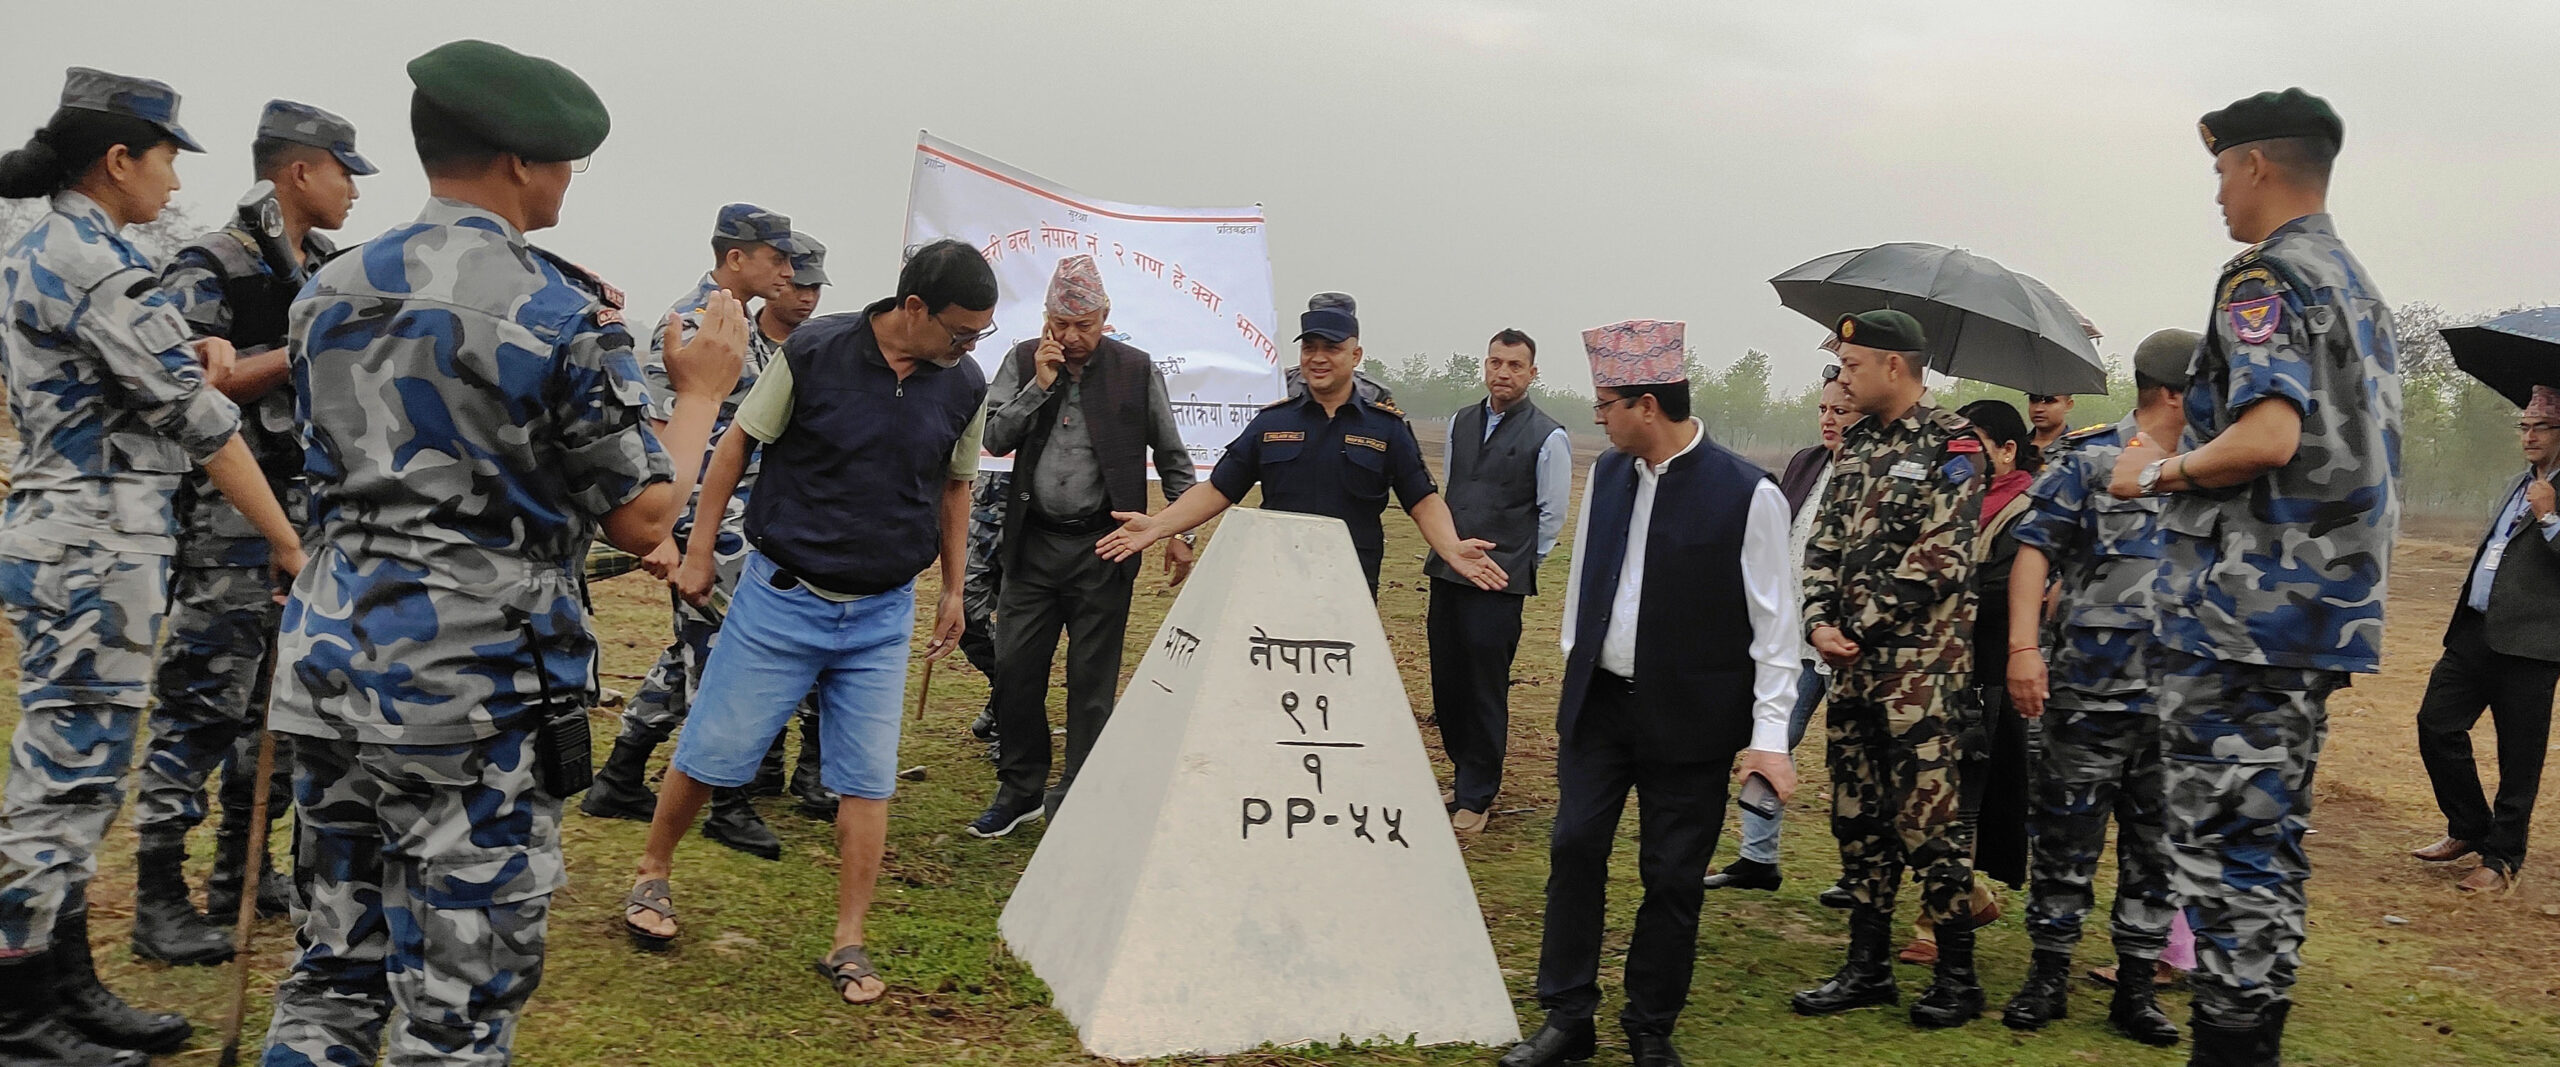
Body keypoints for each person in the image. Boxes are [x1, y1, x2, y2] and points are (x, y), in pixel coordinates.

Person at [258, 40, 743, 1066]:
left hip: (331, 662)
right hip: (468, 692)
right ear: (521, 161)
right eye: (564, 159)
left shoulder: (327, 289)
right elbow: (642, 518)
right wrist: (700, 391)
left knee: (332, 972)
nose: (567, 179)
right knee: (459, 1006)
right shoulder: (555, 311)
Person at [0, 66, 306, 1067]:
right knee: (62, 781)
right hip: (93, 542)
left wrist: (198, 349)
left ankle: (63, 981)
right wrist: (285, 537)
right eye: (168, 157)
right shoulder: (90, 260)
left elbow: (138, 372)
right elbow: (201, 420)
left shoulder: (61, 251)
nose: (176, 180)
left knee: (80, 775)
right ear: (119, 158)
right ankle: (17, 1012)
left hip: (80, 533)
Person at [2107, 88, 2401, 1063]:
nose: (2219, 194)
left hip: (2239, 618)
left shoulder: (2263, 277)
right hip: (2312, 620)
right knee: (2264, 855)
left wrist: (2158, 472)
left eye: (2221, 171)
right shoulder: (2356, 287)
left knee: (2222, 859)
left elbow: (2268, 434)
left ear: (2256, 165)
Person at [625, 239, 993, 1010]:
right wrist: (699, 551)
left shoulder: (964, 383)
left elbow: (956, 487)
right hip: (782, 598)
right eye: (961, 331)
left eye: (979, 335)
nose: (969, 346)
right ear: (914, 308)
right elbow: (736, 446)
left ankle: (848, 939)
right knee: (716, 748)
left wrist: (954, 590)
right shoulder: (818, 351)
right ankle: (652, 870)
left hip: (882, 612)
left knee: (867, 776)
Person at [1498, 320, 1799, 1067]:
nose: (1598, 416)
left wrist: (1770, 738)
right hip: (1600, 706)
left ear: (1649, 405)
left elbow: (1776, 629)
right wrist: (1575, 658)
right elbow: (1587, 577)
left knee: (1671, 875)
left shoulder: (1749, 495)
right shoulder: (1609, 472)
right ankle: (1568, 1014)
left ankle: (1650, 1024)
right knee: (1574, 848)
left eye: (1607, 404)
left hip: (1692, 718)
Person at [125, 98, 373, 967]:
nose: (354, 190)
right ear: (300, 170)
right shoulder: (213, 263)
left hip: (312, 507)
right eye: (344, 172)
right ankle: (158, 894)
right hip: (232, 513)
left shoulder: (329, 268)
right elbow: (190, 387)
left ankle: (243, 869)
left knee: (281, 701)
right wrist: (305, 343)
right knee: (204, 698)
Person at [583, 201, 804, 860]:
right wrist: (664, 534)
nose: (788, 272)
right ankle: (726, 801)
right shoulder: (690, 321)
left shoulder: (742, 325)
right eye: (776, 258)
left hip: (741, 515)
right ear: (736, 257)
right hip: (705, 518)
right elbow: (655, 430)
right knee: (729, 656)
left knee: (695, 648)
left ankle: (620, 776)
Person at [2001, 328, 2197, 1046]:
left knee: (2158, 847)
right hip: (2090, 691)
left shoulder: (2216, 466)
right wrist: (2024, 648)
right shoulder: (2090, 460)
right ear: (2173, 391)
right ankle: (2047, 974)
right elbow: (2033, 552)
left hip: (2180, 702)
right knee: (2064, 836)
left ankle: (2137, 988)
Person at [1792, 309, 1988, 1029]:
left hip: (1920, 680)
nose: (1843, 379)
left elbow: (1942, 558)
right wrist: (1818, 620)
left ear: (1895, 367)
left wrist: (1857, 624)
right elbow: (1823, 544)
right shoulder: (1859, 442)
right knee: (1858, 819)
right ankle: (1867, 966)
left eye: (1853, 366)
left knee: (1928, 824)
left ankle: (1958, 977)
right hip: (1850, 670)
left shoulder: (1953, 443)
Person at [968, 255, 1196, 837]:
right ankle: (1020, 789)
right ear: (1046, 318)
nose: (1071, 338)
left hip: (1105, 547)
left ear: (1105, 317)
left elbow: (1173, 455)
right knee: (1016, 670)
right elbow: (993, 436)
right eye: (1061, 325)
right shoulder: (1023, 359)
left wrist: (1179, 530)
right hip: (1032, 545)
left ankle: (1078, 795)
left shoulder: (1134, 369)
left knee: (1092, 681)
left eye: (1084, 326)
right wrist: (1039, 386)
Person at [1094, 298, 1504, 595]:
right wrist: (1160, 525)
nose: (1318, 358)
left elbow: (1422, 501)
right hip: (1275, 582)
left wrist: (1450, 547)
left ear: (1356, 355)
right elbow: (1218, 489)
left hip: (1350, 586)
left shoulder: (1386, 429)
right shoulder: (1272, 424)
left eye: (1332, 348)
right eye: (1310, 347)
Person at [2410, 385, 2560, 895]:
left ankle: (2502, 858)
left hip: (2532, 644)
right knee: (2436, 724)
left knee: (2519, 757)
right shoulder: (2521, 483)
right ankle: (2470, 827)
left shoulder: (2546, 495)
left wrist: (2550, 518)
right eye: (2524, 427)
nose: (2529, 436)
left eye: (2541, 427)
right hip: (2476, 631)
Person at [1709, 369, 1853, 891]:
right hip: (1791, 636)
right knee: (1770, 738)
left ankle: (1859, 873)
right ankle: (1757, 857)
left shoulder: (1875, 472)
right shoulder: (1806, 463)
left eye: (1841, 410)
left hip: (1845, 642)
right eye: (1823, 409)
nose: (1828, 419)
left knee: (1852, 760)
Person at [1428, 327, 1568, 834]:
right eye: (1495, 363)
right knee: (1447, 681)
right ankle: (1462, 774)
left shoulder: (1548, 436)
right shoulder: (1460, 422)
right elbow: (1451, 489)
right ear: (1485, 366)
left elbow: (1551, 515)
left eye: (1514, 365)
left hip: (1498, 581)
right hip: (1449, 569)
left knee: (1484, 687)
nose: (1503, 373)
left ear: (1532, 373)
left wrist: (1519, 563)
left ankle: (1478, 793)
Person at [762, 232, 837, 819]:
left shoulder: (828, 352)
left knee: (820, 651)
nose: (808, 298)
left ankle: (812, 772)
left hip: (807, 517)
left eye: (816, 288)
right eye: (800, 285)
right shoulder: (737, 341)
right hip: (747, 520)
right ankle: (760, 764)